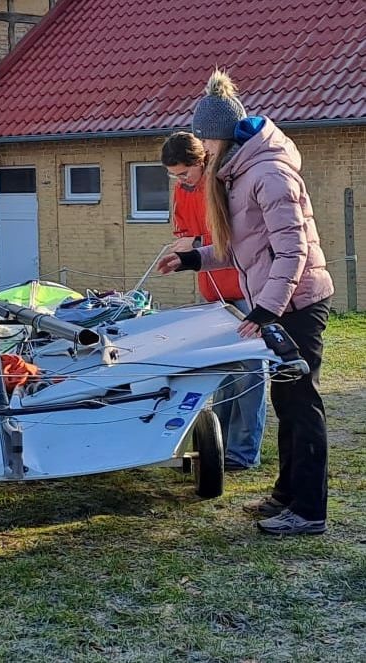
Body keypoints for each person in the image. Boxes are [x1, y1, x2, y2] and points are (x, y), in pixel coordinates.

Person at [158, 69, 334, 535]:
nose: (203, 153)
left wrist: (266, 309)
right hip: (281, 303)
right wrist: (194, 259)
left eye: (206, 145)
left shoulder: (270, 173)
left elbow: (292, 251)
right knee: (285, 400)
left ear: (222, 138)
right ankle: (286, 496)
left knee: (301, 404)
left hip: (298, 304)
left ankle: (310, 510)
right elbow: (242, 245)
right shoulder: (240, 173)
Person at [161, 131, 267, 471]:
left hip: (243, 288)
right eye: (174, 175)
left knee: (250, 371)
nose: (180, 180)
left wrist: (198, 245)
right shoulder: (182, 191)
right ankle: (216, 448)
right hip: (212, 292)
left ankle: (243, 451)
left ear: (201, 162)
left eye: (184, 173)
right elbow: (185, 232)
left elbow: (236, 236)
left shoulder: (223, 185)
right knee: (220, 372)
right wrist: (183, 246)